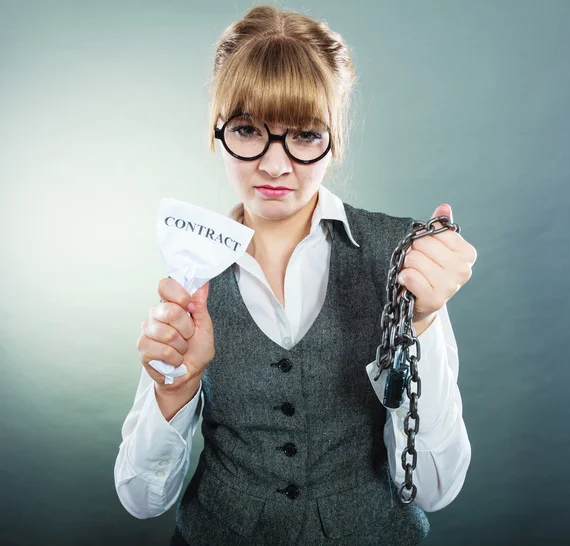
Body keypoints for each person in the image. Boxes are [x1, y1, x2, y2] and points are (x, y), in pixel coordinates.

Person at [114, 4, 476, 545]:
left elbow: (433, 491)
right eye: (247, 129)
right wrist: (177, 391)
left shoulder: (401, 261)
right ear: (217, 132)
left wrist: (419, 324)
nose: (276, 166)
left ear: (335, 137)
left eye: (305, 135)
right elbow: (141, 500)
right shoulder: (193, 270)